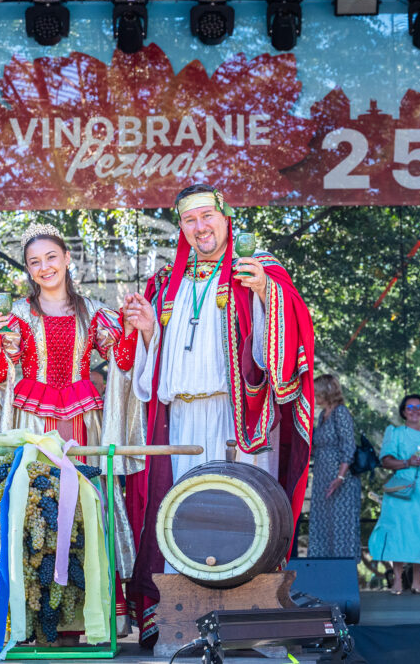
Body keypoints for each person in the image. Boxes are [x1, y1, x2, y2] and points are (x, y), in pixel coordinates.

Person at [123, 184, 315, 646]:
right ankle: (184, 625)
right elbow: (150, 376)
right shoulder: (164, 283)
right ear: (181, 228)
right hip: (182, 420)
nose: (200, 227)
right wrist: (148, 332)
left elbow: (292, 333)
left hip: (238, 417)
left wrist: (266, 293)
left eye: (207, 216)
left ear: (227, 218)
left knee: (243, 517)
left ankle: (246, 625)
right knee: (183, 519)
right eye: (190, 220)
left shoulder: (257, 269)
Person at [0, 223, 143, 630]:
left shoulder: (95, 311)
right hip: (32, 422)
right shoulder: (16, 315)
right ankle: (29, 616)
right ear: (28, 269)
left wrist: (135, 328)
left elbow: (123, 361)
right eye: (34, 261)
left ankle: (92, 615)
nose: (44, 267)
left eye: (51, 257)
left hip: (82, 421)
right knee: (31, 503)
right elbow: (3, 375)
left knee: (88, 504)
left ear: (67, 259)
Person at [368, 394, 420, 595]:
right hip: (401, 486)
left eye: (418, 407)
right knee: (398, 532)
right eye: (410, 407)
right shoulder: (395, 433)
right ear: (403, 411)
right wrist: (407, 462)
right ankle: (397, 581)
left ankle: (416, 582)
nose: (414, 411)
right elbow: (386, 461)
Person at [308, 374, 361, 560]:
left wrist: (340, 477)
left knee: (341, 525)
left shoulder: (340, 412)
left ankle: (343, 568)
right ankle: (321, 566)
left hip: (340, 480)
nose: (314, 395)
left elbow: (349, 446)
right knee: (322, 523)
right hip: (322, 476)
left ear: (326, 391)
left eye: (316, 391)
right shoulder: (322, 415)